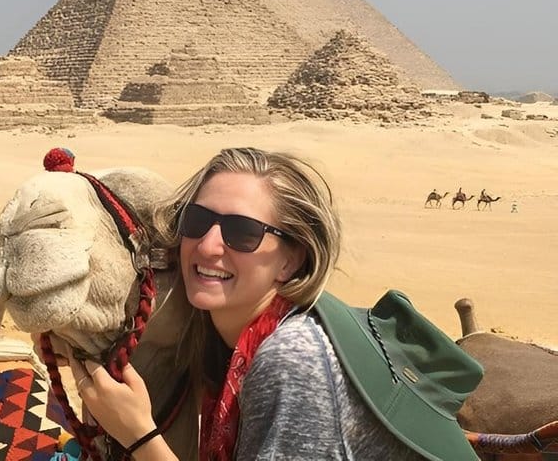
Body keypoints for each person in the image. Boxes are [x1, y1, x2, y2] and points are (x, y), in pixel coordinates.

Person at [67, 147, 432, 460]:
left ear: (290, 260)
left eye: (242, 232)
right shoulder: (222, 344)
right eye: (197, 220)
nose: (208, 245)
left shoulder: (294, 358)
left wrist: (138, 435)